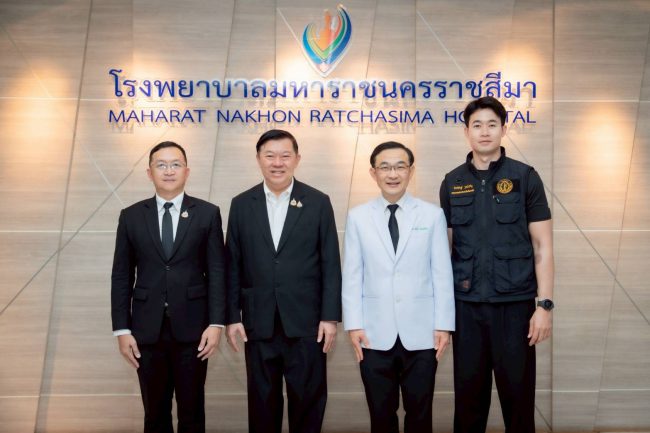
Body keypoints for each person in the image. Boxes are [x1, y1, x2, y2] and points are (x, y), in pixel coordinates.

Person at [439, 96, 554, 433]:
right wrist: (441, 314)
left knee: (518, 404)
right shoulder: (452, 182)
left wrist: (544, 306)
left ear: (504, 129)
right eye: (477, 125)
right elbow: (443, 252)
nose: (485, 131)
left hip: (515, 308)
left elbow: (543, 246)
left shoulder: (525, 177)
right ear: (466, 132)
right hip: (467, 308)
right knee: (468, 406)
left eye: (492, 124)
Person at [225, 129, 342, 433]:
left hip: (307, 323)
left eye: (285, 156)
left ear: (297, 159)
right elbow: (233, 264)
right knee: (262, 405)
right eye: (270, 156)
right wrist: (232, 316)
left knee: (308, 403)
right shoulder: (241, 204)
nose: (277, 163)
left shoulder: (318, 202)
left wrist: (330, 317)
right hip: (258, 322)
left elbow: (331, 263)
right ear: (258, 159)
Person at [111, 141, 226, 433]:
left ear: (187, 171)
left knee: (192, 412)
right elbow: (122, 276)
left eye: (176, 164)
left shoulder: (207, 213)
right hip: (146, 330)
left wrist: (216, 324)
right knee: (155, 414)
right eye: (161, 165)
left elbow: (216, 272)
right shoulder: (131, 216)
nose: (169, 171)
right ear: (149, 173)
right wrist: (122, 329)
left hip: (194, 330)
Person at [342, 141, 455, 433]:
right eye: (385, 167)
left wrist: (444, 325)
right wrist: (354, 325)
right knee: (381, 414)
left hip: (423, 334)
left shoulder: (431, 215)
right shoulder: (358, 217)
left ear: (410, 171)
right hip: (372, 334)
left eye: (400, 167)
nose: (393, 174)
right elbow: (352, 275)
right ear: (373, 172)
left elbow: (442, 273)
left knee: (420, 414)